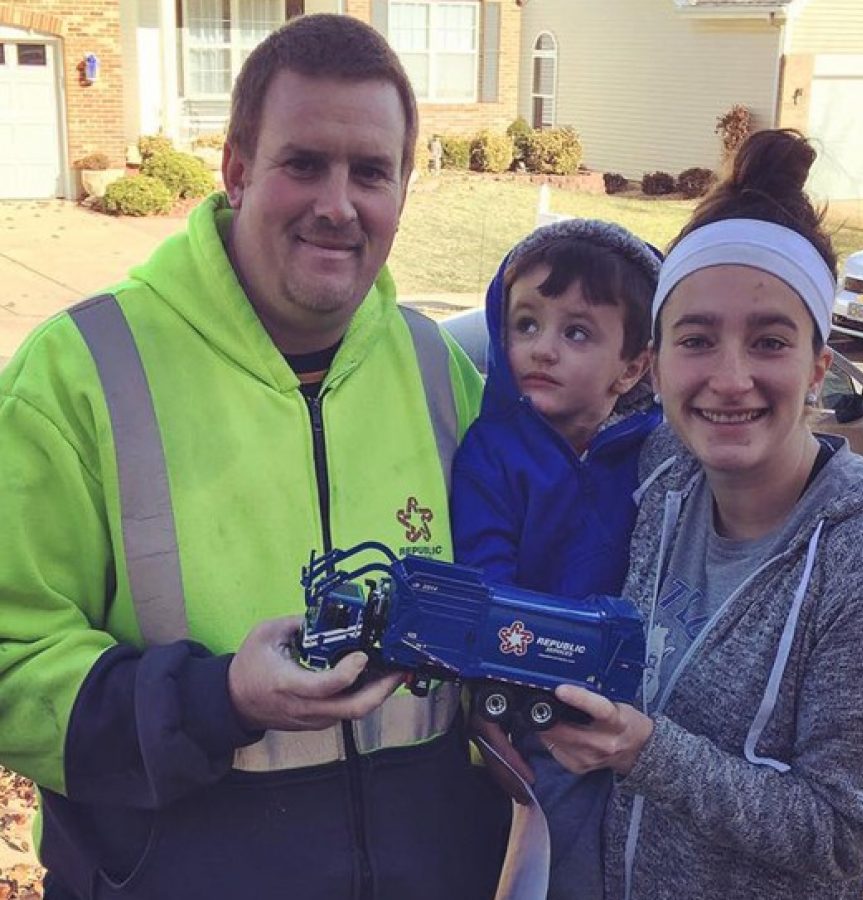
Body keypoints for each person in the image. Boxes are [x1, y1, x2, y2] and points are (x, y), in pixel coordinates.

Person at [0, 14, 510, 900]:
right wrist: (215, 700)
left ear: (402, 190)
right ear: (236, 170)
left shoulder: (439, 371)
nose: (338, 205)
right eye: (304, 163)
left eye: (370, 173)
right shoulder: (77, 373)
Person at [538, 129, 863, 899]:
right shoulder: (658, 473)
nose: (730, 380)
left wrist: (646, 755)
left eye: (769, 341)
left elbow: (842, 835)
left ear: (816, 368)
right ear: (657, 362)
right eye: (697, 340)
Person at [451, 219, 662, 898]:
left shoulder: (655, 457)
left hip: (645, 714)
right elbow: (487, 580)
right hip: (538, 713)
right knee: (555, 866)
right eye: (525, 324)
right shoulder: (493, 452)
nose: (541, 349)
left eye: (576, 332)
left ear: (632, 366)